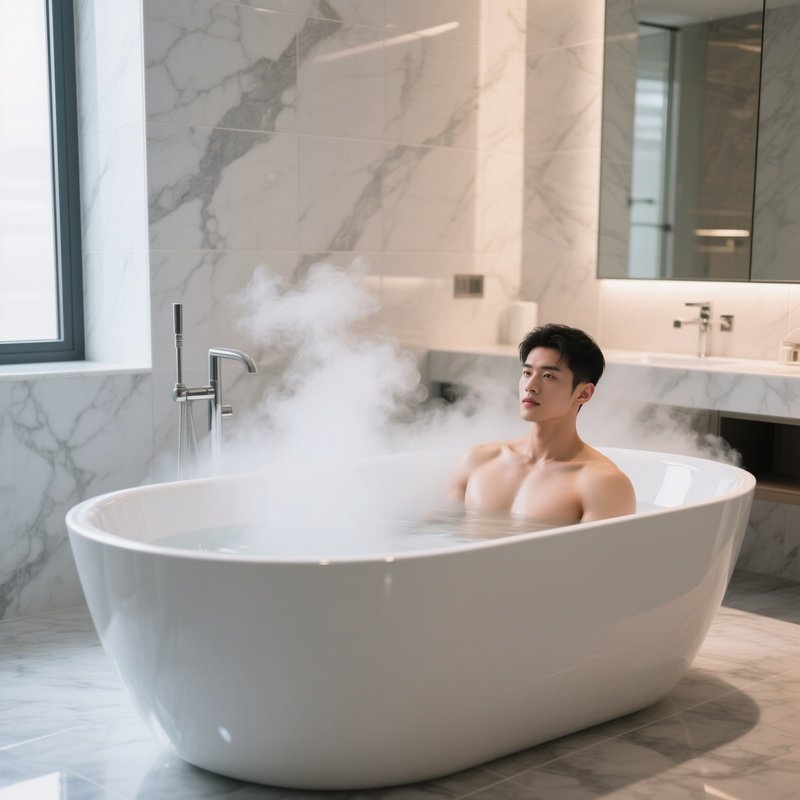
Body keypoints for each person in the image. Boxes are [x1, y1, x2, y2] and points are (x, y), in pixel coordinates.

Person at [449, 323, 635, 523]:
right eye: (527, 373)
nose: (530, 386)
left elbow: (599, 555)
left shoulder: (602, 483)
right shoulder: (478, 460)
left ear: (583, 393)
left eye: (548, 376)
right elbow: (441, 537)